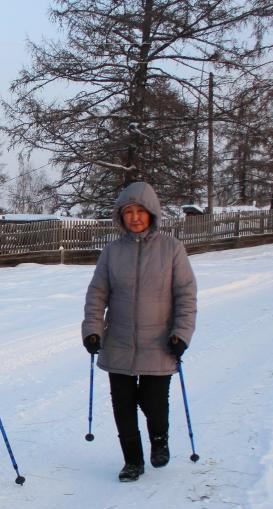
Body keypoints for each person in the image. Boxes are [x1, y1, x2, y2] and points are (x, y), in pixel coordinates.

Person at [82, 181, 197, 482]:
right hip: (118, 341)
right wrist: (93, 330)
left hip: (159, 343)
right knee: (123, 406)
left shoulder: (172, 249)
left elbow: (186, 295)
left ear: (152, 213)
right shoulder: (112, 252)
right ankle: (132, 460)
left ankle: (159, 440)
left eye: (140, 211)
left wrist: (181, 334)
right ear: (120, 216)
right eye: (128, 212)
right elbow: (97, 294)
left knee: (154, 403)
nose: (134, 217)